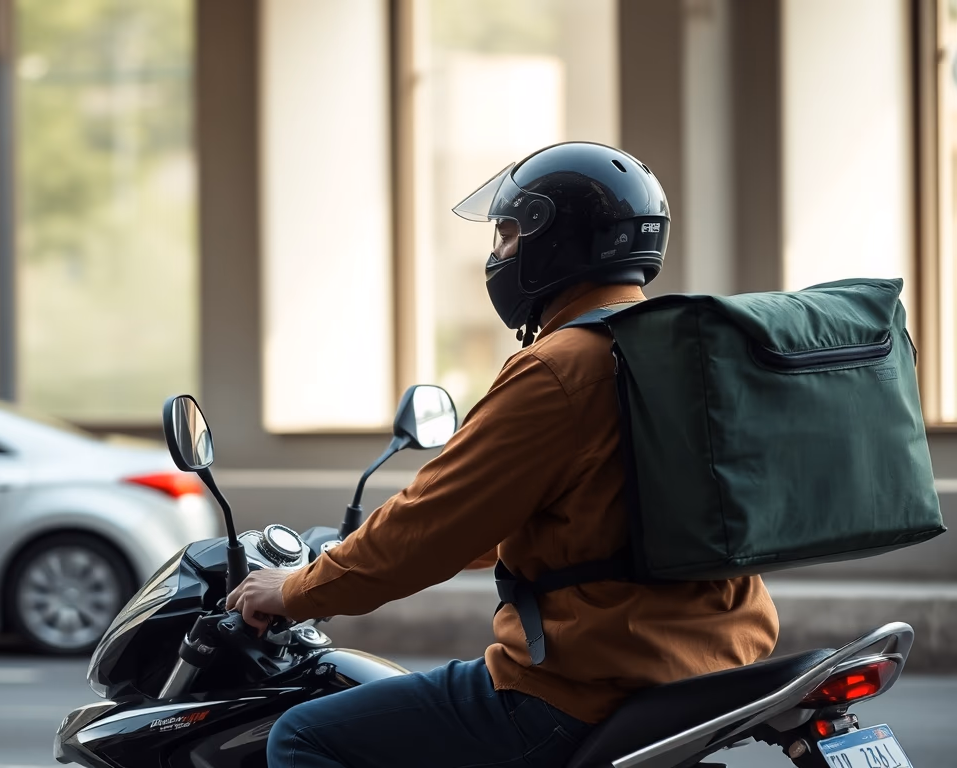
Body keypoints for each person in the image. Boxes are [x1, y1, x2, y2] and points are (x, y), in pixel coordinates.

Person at [227, 142, 779, 768]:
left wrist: (297, 590)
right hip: (719, 662)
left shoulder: (560, 369)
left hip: (583, 687)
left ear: (559, 244)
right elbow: (591, 520)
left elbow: (426, 524)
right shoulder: (680, 353)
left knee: (301, 736)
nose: (499, 254)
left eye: (510, 234)